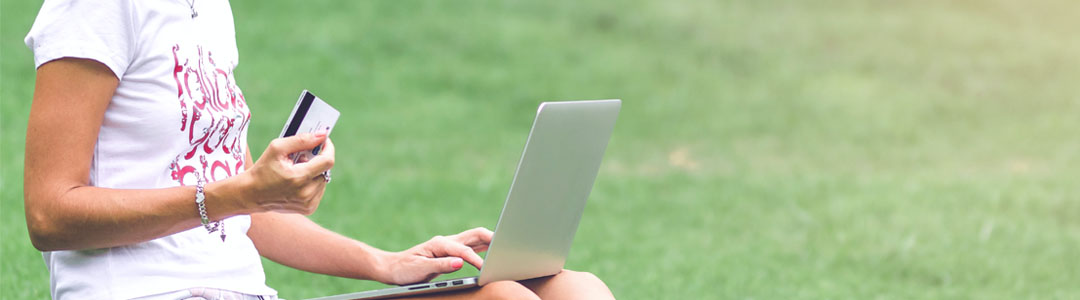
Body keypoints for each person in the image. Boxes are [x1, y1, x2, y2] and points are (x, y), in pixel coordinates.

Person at [22, 0, 615, 299]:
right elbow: (49, 214)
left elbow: (238, 215)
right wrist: (237, 192)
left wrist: (387, 262)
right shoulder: (97, 6)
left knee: (573, 289)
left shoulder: (207, 10)